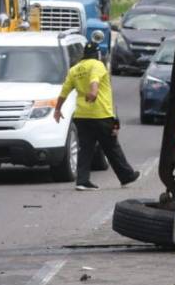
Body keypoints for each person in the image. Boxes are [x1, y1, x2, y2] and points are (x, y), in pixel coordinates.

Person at [54, 40, 140, 190]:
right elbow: (94, 81)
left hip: (81, 116)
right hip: (101, 115)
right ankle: (127, 176)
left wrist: (57, 109)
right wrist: (93, 92)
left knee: (85, 149)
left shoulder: (75, 69)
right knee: (111, 147)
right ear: (97, 53)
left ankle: (82, 181)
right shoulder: (97, 65)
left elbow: (64, 92)